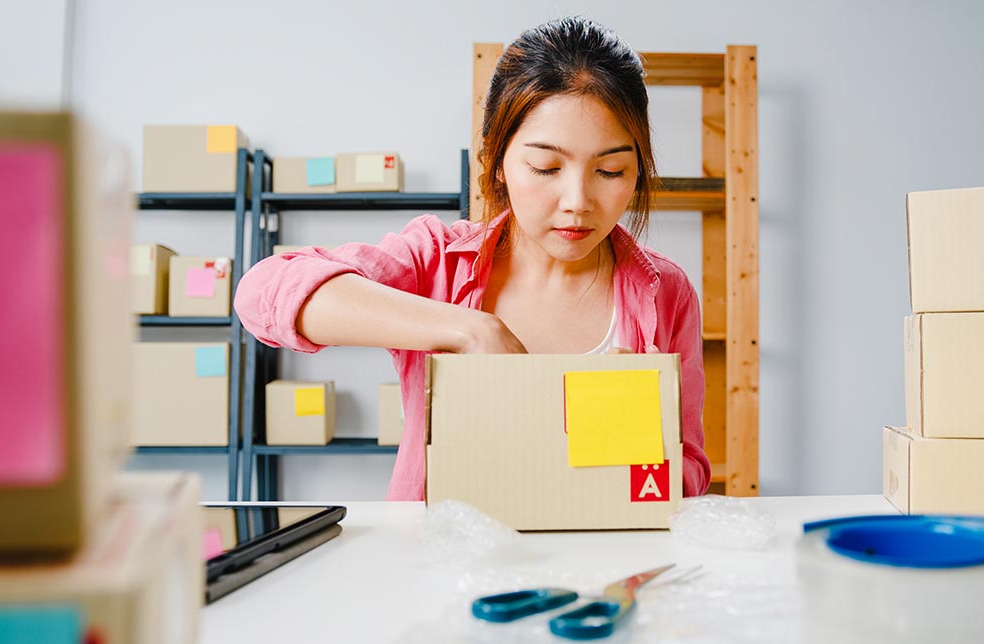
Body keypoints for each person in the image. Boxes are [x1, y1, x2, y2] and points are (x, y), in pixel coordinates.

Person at [234, 16, 712, 500]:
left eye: (610, 170)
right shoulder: (437, 262)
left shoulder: (665, 291)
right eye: (546, 167)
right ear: (497, 162)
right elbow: (263, 292)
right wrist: (470, 329)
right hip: (445, 566)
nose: (577, 201)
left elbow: (690, 472)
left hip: (599, 566)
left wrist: (635, 441)